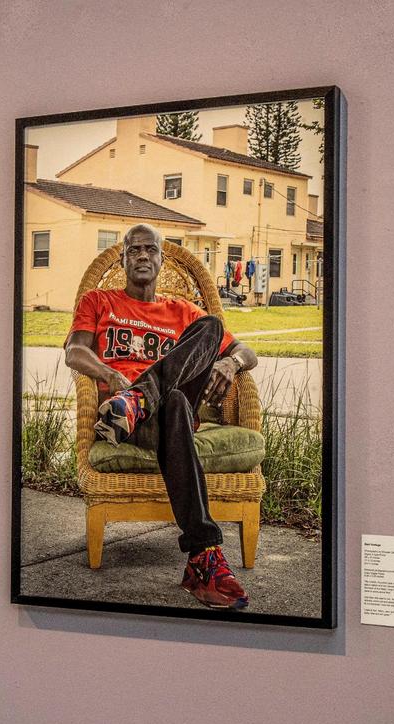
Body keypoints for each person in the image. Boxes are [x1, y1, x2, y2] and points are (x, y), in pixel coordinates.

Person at [64, 224, 259, 609]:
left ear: (160, 259)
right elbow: (74, 352)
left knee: (211, 327)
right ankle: (203, 557)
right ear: (122, 260)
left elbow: (247, 352)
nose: (141, 256)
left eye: (149, 250)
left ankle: (140, 398)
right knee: (172, 401)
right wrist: (107, 373)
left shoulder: (183, 311)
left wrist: (230, 364)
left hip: (158, 410)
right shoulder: (98, 300)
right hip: (121, 420)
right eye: (133, 250)